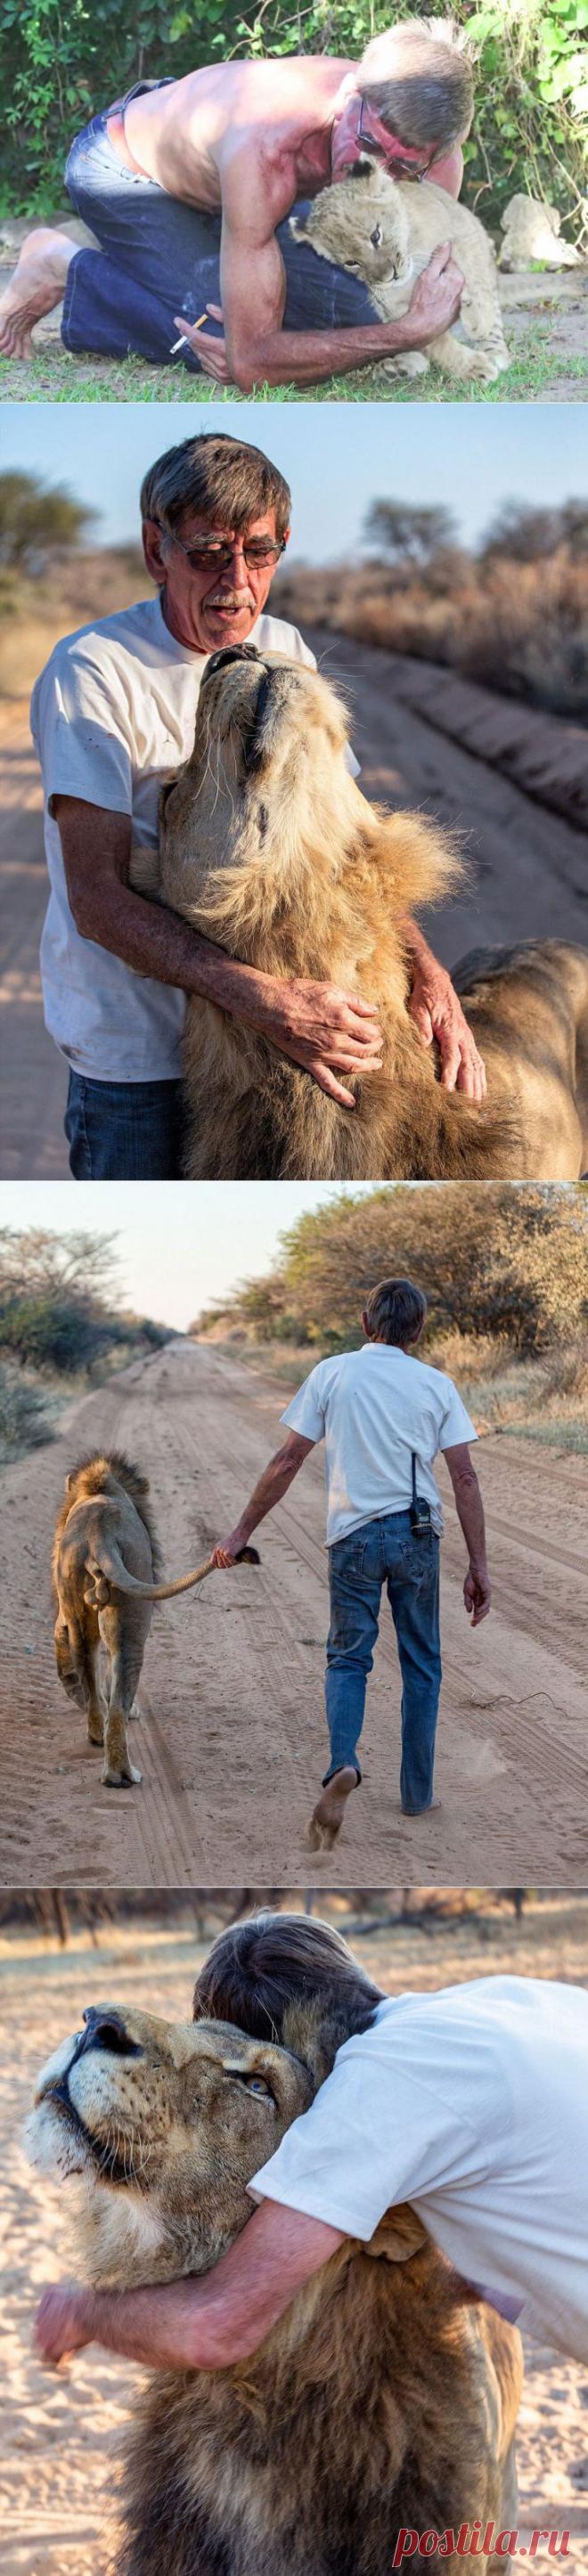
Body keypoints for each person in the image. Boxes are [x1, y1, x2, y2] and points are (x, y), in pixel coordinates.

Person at [30, 431, 486, 1180]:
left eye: (260, 552)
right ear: (157, 551)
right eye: (208, 551)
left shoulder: (284, 648)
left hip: (271, 1040)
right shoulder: (93, 671)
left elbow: (350, 846)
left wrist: (428, 974)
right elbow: (98, 901)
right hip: (146, 1055)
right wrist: (269, 1002)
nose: (236, 580)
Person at [34, 1910, 588, 2376]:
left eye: (252, 2077)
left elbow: (215, 2327)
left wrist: (84, 2315)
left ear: (301, 2055)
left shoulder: (369, 2093)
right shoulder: (493, 2000)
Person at [0, 28, 472, 387]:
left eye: (402, 167)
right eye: (368, 143)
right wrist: (408, 333)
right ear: (350, 96)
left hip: (240, 194)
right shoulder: (266, 140)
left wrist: (412, 316)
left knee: (353, 316)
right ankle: (62, 265)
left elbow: (417, 286)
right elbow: (252, 365)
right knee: (216, 342)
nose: (376, 172)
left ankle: (205, 269)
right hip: (127, 171)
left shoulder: (437, 159)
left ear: (436, 155)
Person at [212, 1274, 491, 1836]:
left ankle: (343, 1763)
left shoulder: (331, 1372)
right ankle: (417, 1796)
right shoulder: (437, 1385)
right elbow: (463, 1475)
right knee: (422, 1665)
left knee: (347, 1659)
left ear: (366, 1324)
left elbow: (287, 1460)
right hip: (417, 1538)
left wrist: (240, 1532)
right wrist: (480, 1566)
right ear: (418, 1330)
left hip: (353, 1539)